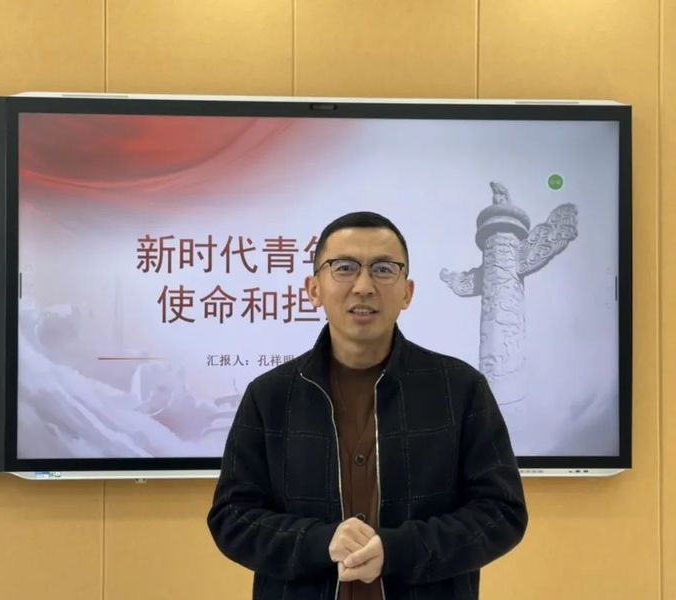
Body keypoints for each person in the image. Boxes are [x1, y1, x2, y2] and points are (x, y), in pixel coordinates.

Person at [207, 211, 527, 599]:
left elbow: (501, 512)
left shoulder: (459, 389)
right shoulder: (270, 396)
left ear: (407, 291)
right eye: (344, 268)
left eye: (383, 269)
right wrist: (319, 542)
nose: (363, 286)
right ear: (314, 289)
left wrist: (399, 550)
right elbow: (232, 517)